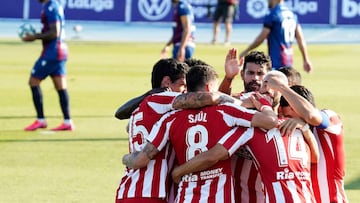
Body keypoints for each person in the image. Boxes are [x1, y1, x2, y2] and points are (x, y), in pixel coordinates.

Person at [122, 64, 278, 203]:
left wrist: (126, 158)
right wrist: (263, 104)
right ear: (210, 89)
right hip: (218, 197)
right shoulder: (226, 112)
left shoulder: (169, 119)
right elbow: (269, 121)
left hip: (184, 195)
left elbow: (143, 153)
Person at [263, 72, 349, 203]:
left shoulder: (331, 120)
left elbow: (310, 115)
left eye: (290, 117)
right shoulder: (296, 133)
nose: (286, 121)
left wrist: (281, 87)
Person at [115, 58, 189, 203]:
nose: (185, 91)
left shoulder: (142, 109)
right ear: (167, 82)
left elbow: (120, 113)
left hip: (131, 190)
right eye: (182, 85)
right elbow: (197, 100)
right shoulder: (162, 99)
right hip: (149, 192)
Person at [22, 0, 73, 131]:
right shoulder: (54, 5)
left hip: (52, 52)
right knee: (60, 86)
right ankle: (67, 121)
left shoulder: (50, 6)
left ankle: (41, 120)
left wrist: (34, 36)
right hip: (60, 51)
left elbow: (54, 32)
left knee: (33, 81)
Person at [239, 0, 312, 72]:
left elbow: (261, 38)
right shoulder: (292, 14)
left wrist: (246, 51)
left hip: (276, 60)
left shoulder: (273, 14)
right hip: (288, 59)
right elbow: (300, 39)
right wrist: (306, 59)